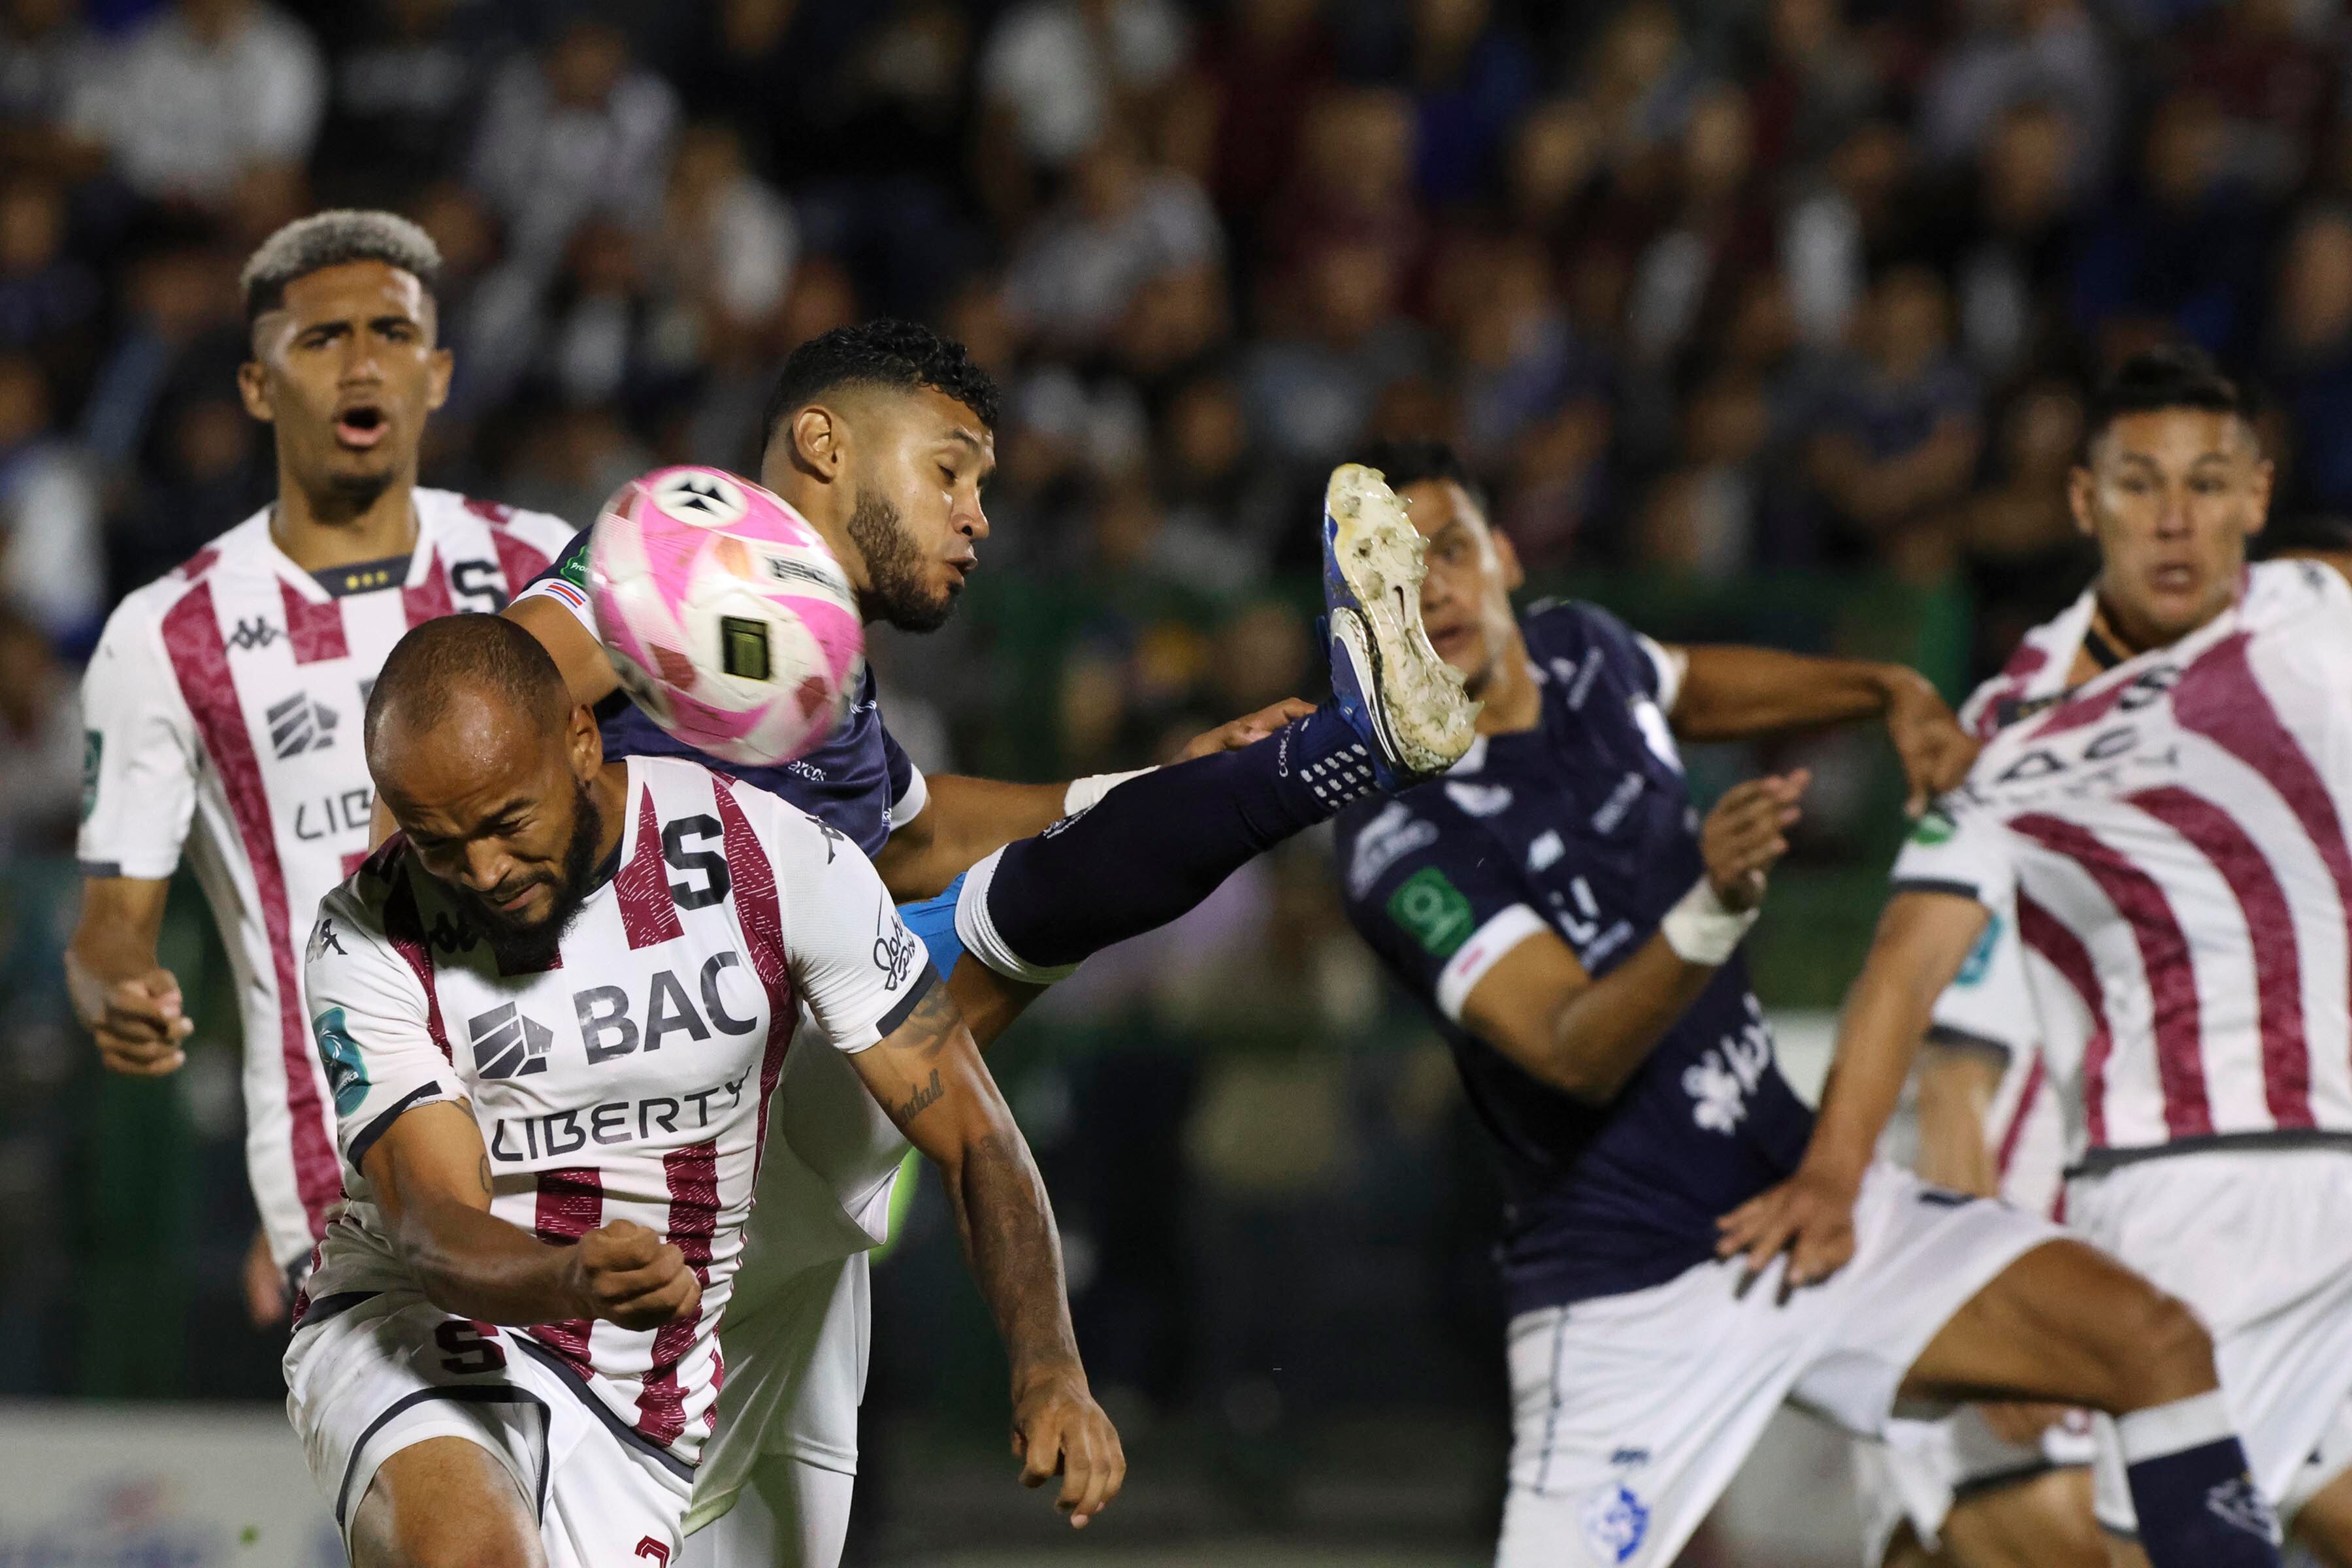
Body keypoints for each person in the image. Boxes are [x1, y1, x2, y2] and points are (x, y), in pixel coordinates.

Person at [504, 319, 1480, 1561]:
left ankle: (1312, 762)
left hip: (777, 1220)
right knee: (1013, 921)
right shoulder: (677, 572)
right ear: (822, 440)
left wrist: (1160, 778)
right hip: (642, 1118)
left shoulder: (823, 673)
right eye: (949, 469)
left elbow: (919, 837)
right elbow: (473, 708)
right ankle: (1341, 754)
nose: (975, 516)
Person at [1334, 434, 2285, 1568]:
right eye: (1390, 576)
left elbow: (1685, 682)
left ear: (1501, 553)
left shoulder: (1584, 654)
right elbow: (1567, 1051)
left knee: (2156, 1346)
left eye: (1446, 548)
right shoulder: (1400, 830)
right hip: (1626, 1295)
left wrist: (1881, 687)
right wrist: (1710, 912)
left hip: (1806, 1212)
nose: (1430, 586)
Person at [285, 614, 1117, 1566]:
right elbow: (432, 1226)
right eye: (438, 843)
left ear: (580, 740)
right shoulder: (368, 935)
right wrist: (568, 1275)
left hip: (648, 1395)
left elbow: (977, 1137)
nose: (482, 870)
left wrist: (1049, 1363)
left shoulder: (767, 856)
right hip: (427, 1320)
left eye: (508, 822)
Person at [1725, 344, 2352, 1565]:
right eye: (2141, 485)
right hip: (2198, 1189)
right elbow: (1910, 964)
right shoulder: (2009, 737)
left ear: (2258, 499)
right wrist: (1834, 1175)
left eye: (2210, 485)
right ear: (2084, 501)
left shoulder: (2312, 606)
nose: (2178, 520)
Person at [67, 211, 574, 1325]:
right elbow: (113, 923)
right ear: (257, 386)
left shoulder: (538, 565)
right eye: (323, 337)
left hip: (589, 1123)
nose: (361, 362)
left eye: (392, 333)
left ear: (437, 373)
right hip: (341, 1170)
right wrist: (119, 993)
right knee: (459, 1500)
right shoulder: (169, 635)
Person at [1851, 903, 2102, 1568]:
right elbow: (1949, 1092)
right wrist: (1998, 1332)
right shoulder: (1999, 862)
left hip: (2076, 1310)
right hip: (1998, 1319)